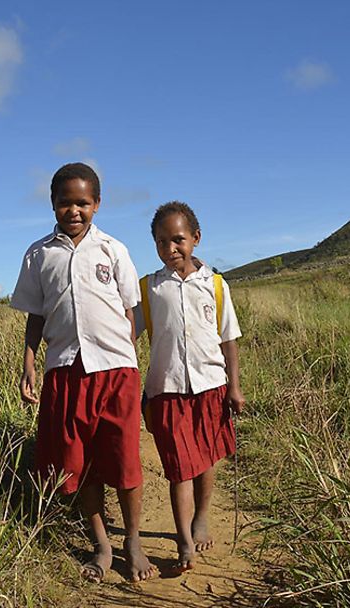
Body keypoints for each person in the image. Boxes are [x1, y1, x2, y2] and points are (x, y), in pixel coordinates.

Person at [11, 162, 158, 583]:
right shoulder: (39, 254)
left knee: (126, 458)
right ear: (53, 205)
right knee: (79, 463)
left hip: (115, 371)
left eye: (83, 202)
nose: (74, 211)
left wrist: (127, 361)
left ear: (97, 204)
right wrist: (28, 365)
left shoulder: (113, 249)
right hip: (64, 371)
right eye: (65, 203)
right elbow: (35, 317)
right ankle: (102, 544)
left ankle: (132, 539)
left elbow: (130, 311)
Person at [134, 201, 245, 572]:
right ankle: (184, 540)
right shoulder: (148, 288)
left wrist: (235, 386)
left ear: (196, 239)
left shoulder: (214, 284)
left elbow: (228, 338)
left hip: (210, 386)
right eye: (161, 242)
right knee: (179, 467)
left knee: (205, 458)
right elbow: (126, 334)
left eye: (178, 240)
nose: (170, 249)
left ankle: (201, 516)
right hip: (167, 390)